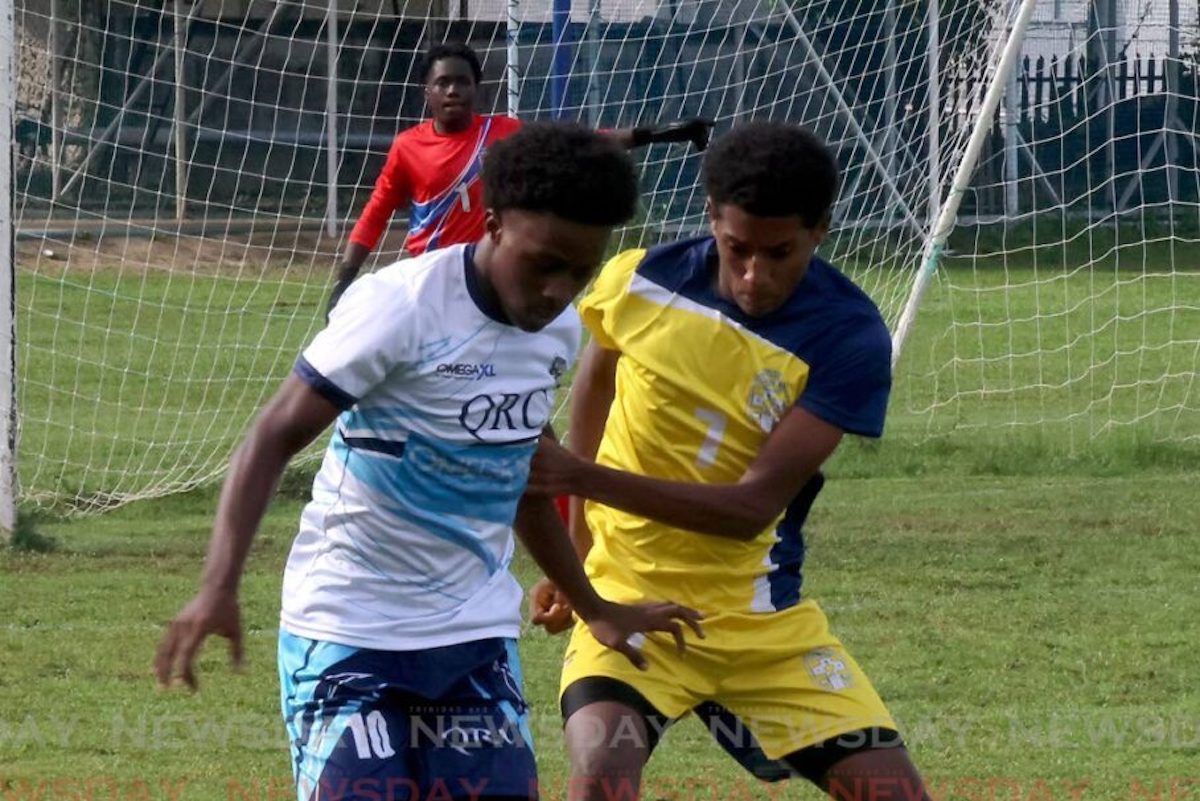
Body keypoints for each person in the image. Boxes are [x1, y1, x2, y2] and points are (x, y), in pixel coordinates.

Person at [155, 122, 703, 801]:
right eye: (544, 263)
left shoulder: (557, 330)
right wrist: (218, 583)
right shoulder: (401, 307)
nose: (560, 290)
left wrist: (594, 607)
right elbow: (271, 435)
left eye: (581, 270)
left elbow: (521, 475)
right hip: (349, 628)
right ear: (495, 223)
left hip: (473, 636)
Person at [525, 122, 934, 801]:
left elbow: (749, 510)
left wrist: (577, 475)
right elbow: (595, 387)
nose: (755, 275)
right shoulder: (642, 282)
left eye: (781, 253)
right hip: (629, 606)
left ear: (820, 231)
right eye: (737, 248)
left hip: (761, 627)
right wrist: (577, 559)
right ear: (711, 215)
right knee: (599, 775)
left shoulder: (848, 337)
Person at [330, 42, 713, 310]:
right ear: (426, 92)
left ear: (477, 89)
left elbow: (578, 142)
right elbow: (375, 213)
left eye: (462, 82)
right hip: (428, 279)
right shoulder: (407, 146)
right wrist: (345, 279)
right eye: (442, 83)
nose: (453, 90)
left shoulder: (502, 133)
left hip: (487, 277)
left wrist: (661, 134)